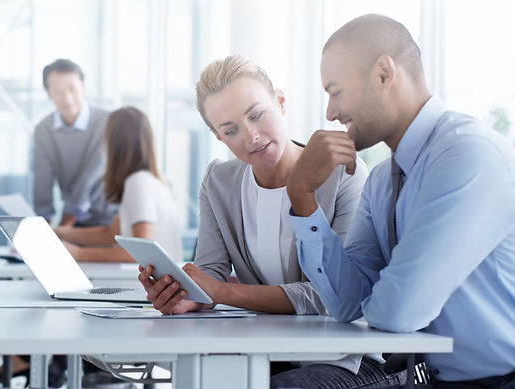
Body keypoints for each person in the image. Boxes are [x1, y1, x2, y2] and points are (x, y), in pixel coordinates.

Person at [137, 55, 402, 388]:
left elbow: (333, 296)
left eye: (257, 115)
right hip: (272, 352)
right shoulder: (219, 181)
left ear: (280, 102)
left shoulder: (343, 175)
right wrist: (186, 294)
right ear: (218, 137)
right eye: (230, 130)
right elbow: (210, 273)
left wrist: (220, 293)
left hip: (350, 357)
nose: (251, 137)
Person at [284, 14, 515, 388]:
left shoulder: (468, 155)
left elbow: (397, 312)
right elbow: (347, 303)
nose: (330, 112)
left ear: (383, 74)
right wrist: (301, 195)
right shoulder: (380, 182)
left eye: (336, 91)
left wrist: (378, 300)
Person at [54, 106, 182, 262]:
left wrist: (79, 254)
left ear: (115, 144)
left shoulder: (138, 182)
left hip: (148, 284)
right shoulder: (156, 180)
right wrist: (59, 232)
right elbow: (110, 233)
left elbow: (142, 252)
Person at [32, 59, 117, 228]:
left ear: (83, 88)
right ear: (48, 93)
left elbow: (92, 174)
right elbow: (42, 180)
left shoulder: (108, 122)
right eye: (58, 91)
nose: (67, 99)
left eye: (73, 90)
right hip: (74, 221)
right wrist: (43, 225)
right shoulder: (43, 129)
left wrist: (64, 225)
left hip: (110, 219)